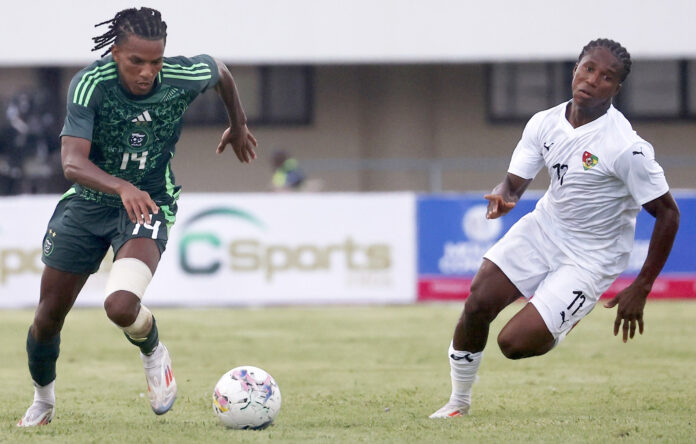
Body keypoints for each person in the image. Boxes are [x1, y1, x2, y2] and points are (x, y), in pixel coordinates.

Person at [18, 7, 258, 427]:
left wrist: (237, 124)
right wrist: (121, 186)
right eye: (137, 62)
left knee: (120, 305)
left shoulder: (181, 77)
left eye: (156, 61)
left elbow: (220, 71)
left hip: (149, 201)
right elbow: (72, 164)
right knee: (47, 318)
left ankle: (153, 350)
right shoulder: (91, 83)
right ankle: (43, 400)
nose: (148, 72)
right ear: (115, 53)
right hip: (88, 204)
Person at [429, 38, 680, 418]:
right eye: (589, 68)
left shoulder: (626, 147)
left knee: (512, 344)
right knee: (477, 302)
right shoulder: (544, 122)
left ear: (616, 89)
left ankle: (565, 317)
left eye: (607, 76)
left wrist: (642, 286)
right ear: (576, 68)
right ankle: (457, 403)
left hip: (591, 257)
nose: (593, 79)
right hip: (545, 228)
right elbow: (513, 184)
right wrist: (503, 195)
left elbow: (668, 214)